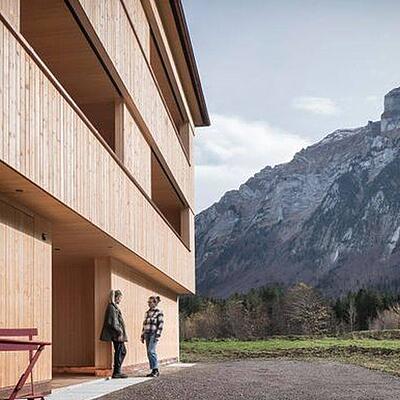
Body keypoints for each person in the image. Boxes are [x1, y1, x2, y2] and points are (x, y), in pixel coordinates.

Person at [100, 289, 128, 379]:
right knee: (120, 352)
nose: (120, 300)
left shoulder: (114, 307)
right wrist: (119, 331)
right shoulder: (111, 307)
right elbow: (112, 322)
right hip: (117, 334)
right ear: (116, 297)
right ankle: (117, 372)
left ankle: (117, 370)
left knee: (122, 351)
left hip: (117, 334)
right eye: (119, 298)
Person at [141, 295, 164, 377]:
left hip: (154, 334)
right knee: (149, 352)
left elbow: (160, 324)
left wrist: (158, 335)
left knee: (151, 351)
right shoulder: (147, 313)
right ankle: (153, 370)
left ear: (155, 303)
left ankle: (156, 370)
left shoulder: (159, 312)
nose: (148, 303)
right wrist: (142, 335)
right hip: (147, 334)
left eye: (150, 302)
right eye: (148, 302)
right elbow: (144, 324)